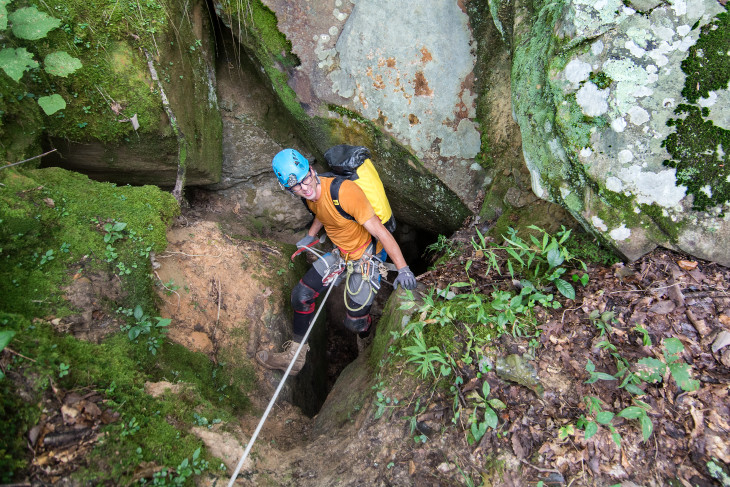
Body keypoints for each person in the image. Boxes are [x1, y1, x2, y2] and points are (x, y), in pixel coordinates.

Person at [255, 148, 417, 375]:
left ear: (312, 170)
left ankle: (367, 330)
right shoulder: (308, 197)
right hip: (340, 254)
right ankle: (295, 358)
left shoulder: (345, 193)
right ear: (288, 189)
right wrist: (311, 236)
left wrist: (404, 269)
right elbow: (323, 214)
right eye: (297, 187)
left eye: (306, 179)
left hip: (365, 256)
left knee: (354, 323)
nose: (305, 188)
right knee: (300, 296)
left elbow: (381, 233)